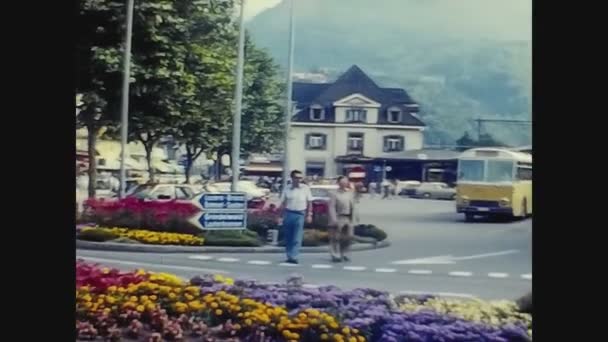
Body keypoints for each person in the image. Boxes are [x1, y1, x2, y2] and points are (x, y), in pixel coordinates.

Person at [278, 170, 313, 264]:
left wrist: (309, 214)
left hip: (300, 214)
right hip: (289, 213)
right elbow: (283, 202)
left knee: (297, 236)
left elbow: (309, 202)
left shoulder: (305, 188)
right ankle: (289, 255)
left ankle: (294, 256)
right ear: (292, 178)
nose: (298, 179)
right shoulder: (287, 188)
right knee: (288, 236)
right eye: (296, 177)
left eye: (300, 178)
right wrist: (280, 216)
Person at [328, 176, 357, 262]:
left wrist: (354, 218)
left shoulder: (350, 193)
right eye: (342, 182)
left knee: (348, 237)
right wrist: (334, 219)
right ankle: (335, 254)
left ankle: (344, 252)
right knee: (336, 237)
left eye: (346, 182)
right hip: (339, 216)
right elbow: (331, 207)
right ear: (339, 183)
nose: (344, 183)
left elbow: (353, 206)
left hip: (348, 217)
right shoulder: (334, 193)